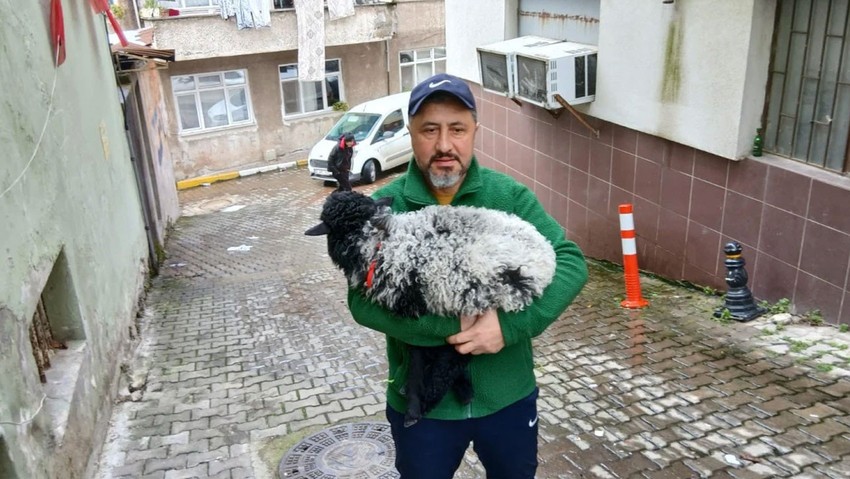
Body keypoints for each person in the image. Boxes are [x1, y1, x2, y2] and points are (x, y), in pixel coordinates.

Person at [346, 72, 589, 478]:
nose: (444, 145)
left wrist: (508, 327)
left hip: (508, 397)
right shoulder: (385, 209)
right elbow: (360, 300)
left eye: (457, 129)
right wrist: (450, 325)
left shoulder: (507, 196)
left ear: (475, 131)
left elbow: (570, 261)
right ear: (411, 134)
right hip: (423, 405)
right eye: (430, 130)